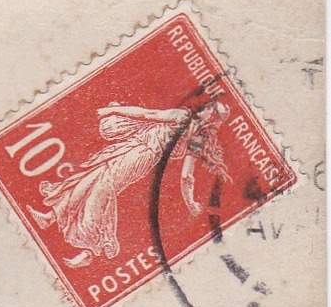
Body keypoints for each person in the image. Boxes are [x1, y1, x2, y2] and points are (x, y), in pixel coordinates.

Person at [25, 99, 231, 268]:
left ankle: (89, 246)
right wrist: (190, 202)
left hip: (141, 154)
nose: (205, 110)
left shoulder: (187, 123)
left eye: (210, 110)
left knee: (103, 185)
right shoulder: (192, 130)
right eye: (208, 107)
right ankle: (51, 216)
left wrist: (111, 109)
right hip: (135, 147)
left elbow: (146, 116)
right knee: (93, 175)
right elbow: (186, 176)